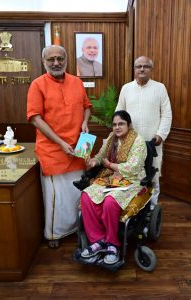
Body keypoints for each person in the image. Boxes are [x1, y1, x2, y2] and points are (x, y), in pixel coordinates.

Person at [27, 45, 92, 248]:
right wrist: (61, 143)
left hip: (79, 147)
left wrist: (84, 122)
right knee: (58, 195)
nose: (56, 63)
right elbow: (35, 118)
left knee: (78, 191)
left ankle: (78, 227)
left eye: (60, 59)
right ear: (43, 62)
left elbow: (86, 107)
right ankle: (54, 234)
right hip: (52, 149)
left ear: (66, 60)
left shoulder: (77, 82)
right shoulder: (37, 85)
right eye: (51, 59)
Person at [80, 110, 147, 264]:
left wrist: (110, 165)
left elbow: (134, 167)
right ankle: (99, 241)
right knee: (86, 196)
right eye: (114, 124)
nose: (117, 127)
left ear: (128, 125)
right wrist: (92, 162)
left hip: (132, 180)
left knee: (110, 201)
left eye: (121, 124)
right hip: (111, 178)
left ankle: (112, 244)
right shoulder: (111, 138)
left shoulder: (138, 141)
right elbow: (99, 155)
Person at [115, 56, 172, 205]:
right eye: (138, 66)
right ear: (134, 70)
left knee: (152, 176)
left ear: (151, 70)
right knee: (130, 175)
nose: (142, 69)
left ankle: (151, 209)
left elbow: (167, 114)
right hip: (130, 142)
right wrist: (119, 132)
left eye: (145, 66)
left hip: (152, 143)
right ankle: (132, 210)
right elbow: (119, 113)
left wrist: (160, 134)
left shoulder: (160, 88)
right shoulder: (126, 88)